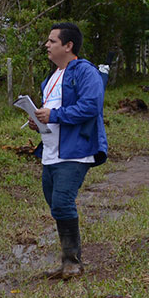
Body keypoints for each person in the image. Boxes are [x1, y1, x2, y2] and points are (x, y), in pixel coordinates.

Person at [34, 22, 108, 278]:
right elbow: (53, 115)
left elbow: (91, 107)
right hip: (51, 152)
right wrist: (39, 121)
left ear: (68, 45)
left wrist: (54, 114)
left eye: (52, 41)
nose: (47, 45)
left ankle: (73, 262)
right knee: (56, 205)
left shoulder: (86, 73)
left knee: (63, 203)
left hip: (75, 151)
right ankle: (67, 260)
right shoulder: (51, 77)